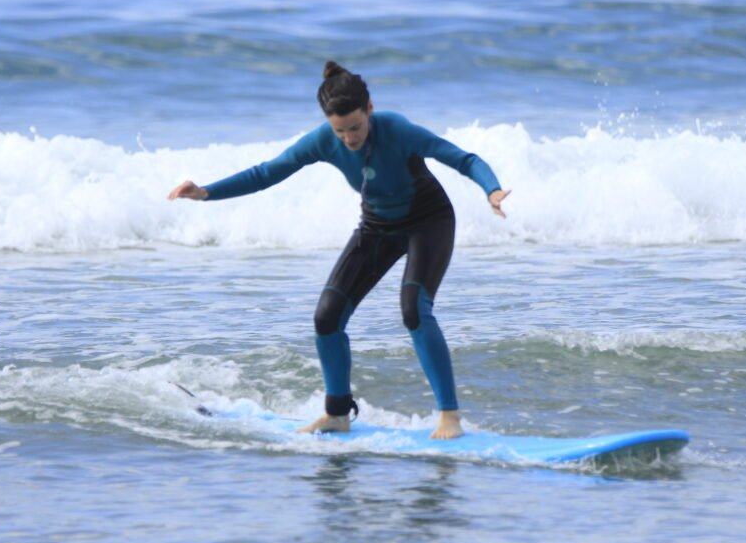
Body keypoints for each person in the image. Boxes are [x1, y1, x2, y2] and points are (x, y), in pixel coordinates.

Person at [168, 62, 510, 439]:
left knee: (414, 310)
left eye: (356, 128)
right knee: (327, 318)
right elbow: (267, 172)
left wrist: (491, 189)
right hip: (377, 227)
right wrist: (206, 192)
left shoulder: (398, 130)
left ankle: (449, 417)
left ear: (370, 110)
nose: (349, 138)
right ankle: (337, 414)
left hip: (428, 222)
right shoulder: (323, 141)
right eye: (340, 131)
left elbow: (464, 159)